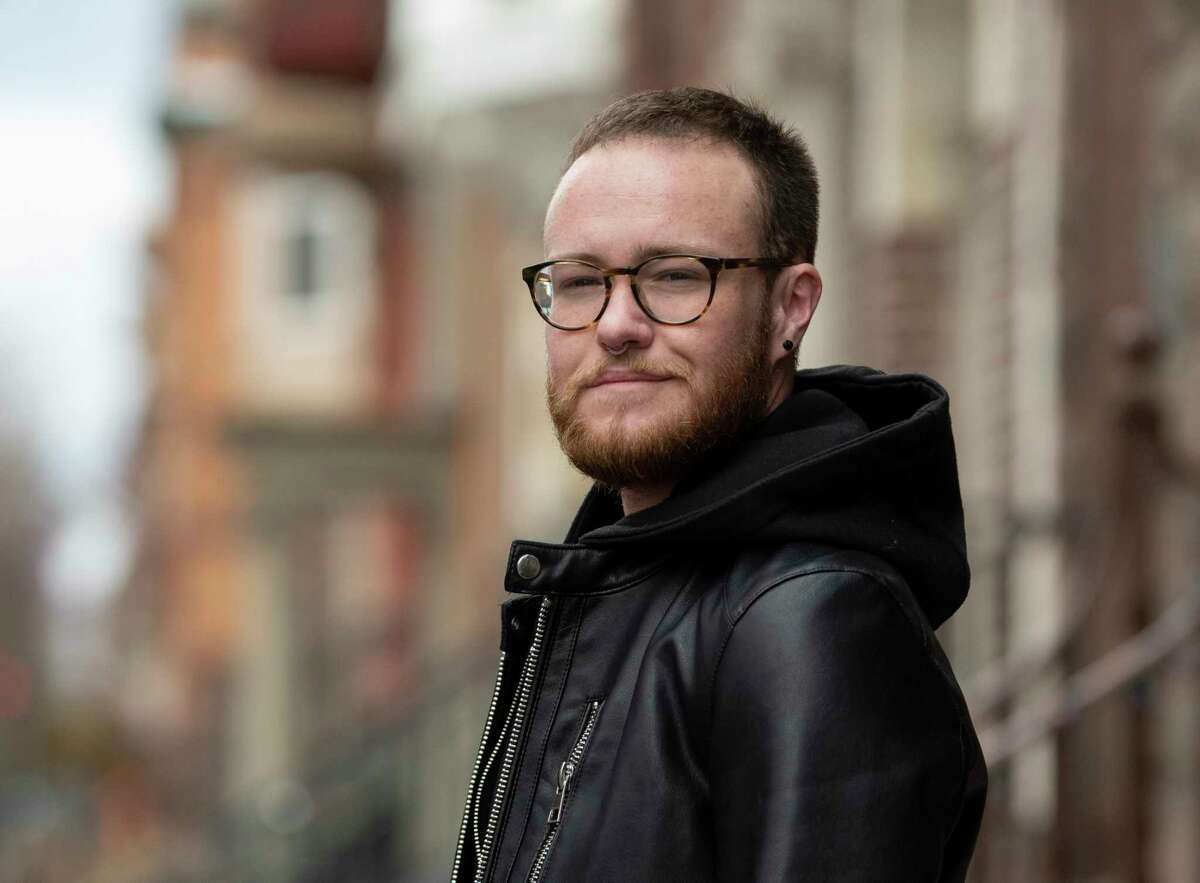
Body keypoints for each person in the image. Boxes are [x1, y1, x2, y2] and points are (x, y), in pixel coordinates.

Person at [451, 86, 987, 883]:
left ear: (790, 308)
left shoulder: (810, 619)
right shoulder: (621, 583)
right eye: (580, 281)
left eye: (674, 275)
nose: (615, 324)